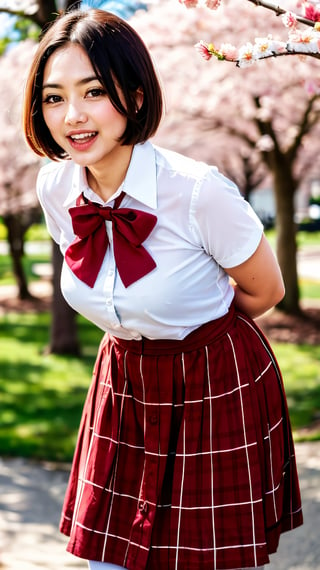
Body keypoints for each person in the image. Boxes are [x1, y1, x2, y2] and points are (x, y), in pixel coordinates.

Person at [23, 8, 303, 570]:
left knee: (207, 559)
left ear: (135, 94)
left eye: (94, 91)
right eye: (53, 98)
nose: (72, 116)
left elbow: (263, 291)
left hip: (209, 379)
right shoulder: (55, 187)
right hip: (123, 380)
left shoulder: (199, 192)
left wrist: (193, 323)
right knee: (109, 558)